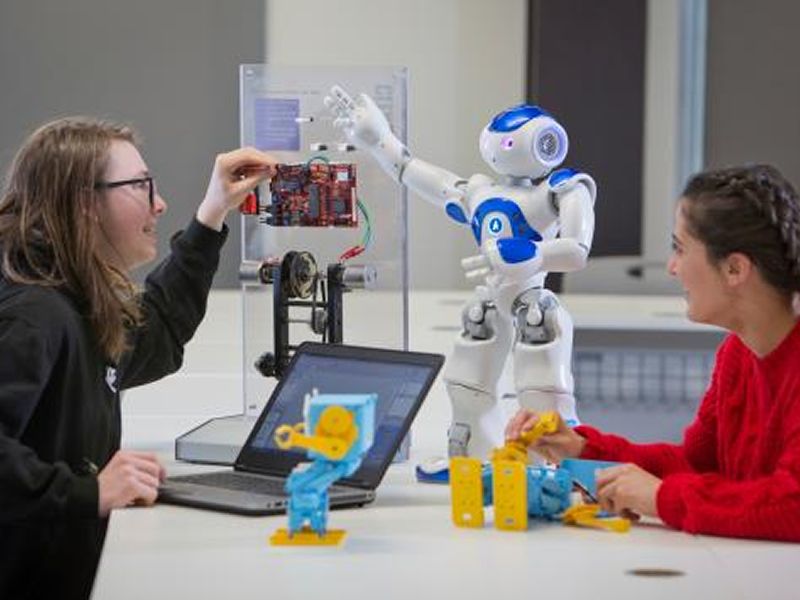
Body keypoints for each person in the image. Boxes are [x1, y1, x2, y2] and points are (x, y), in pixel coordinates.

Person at [0, 116, 275, 598]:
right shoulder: (35, 314)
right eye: (142, 186)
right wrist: (86, 492)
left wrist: (212, 213)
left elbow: (156, 334)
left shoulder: (66, 294)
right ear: (84, 203)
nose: (160, 203)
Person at [506, 164, 800, 542]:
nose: (672, 267)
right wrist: (584, 448)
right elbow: (695, 465)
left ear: (735, 268)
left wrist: (660, 498)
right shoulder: (738, 353)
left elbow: (791, 507)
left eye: (680, 248)